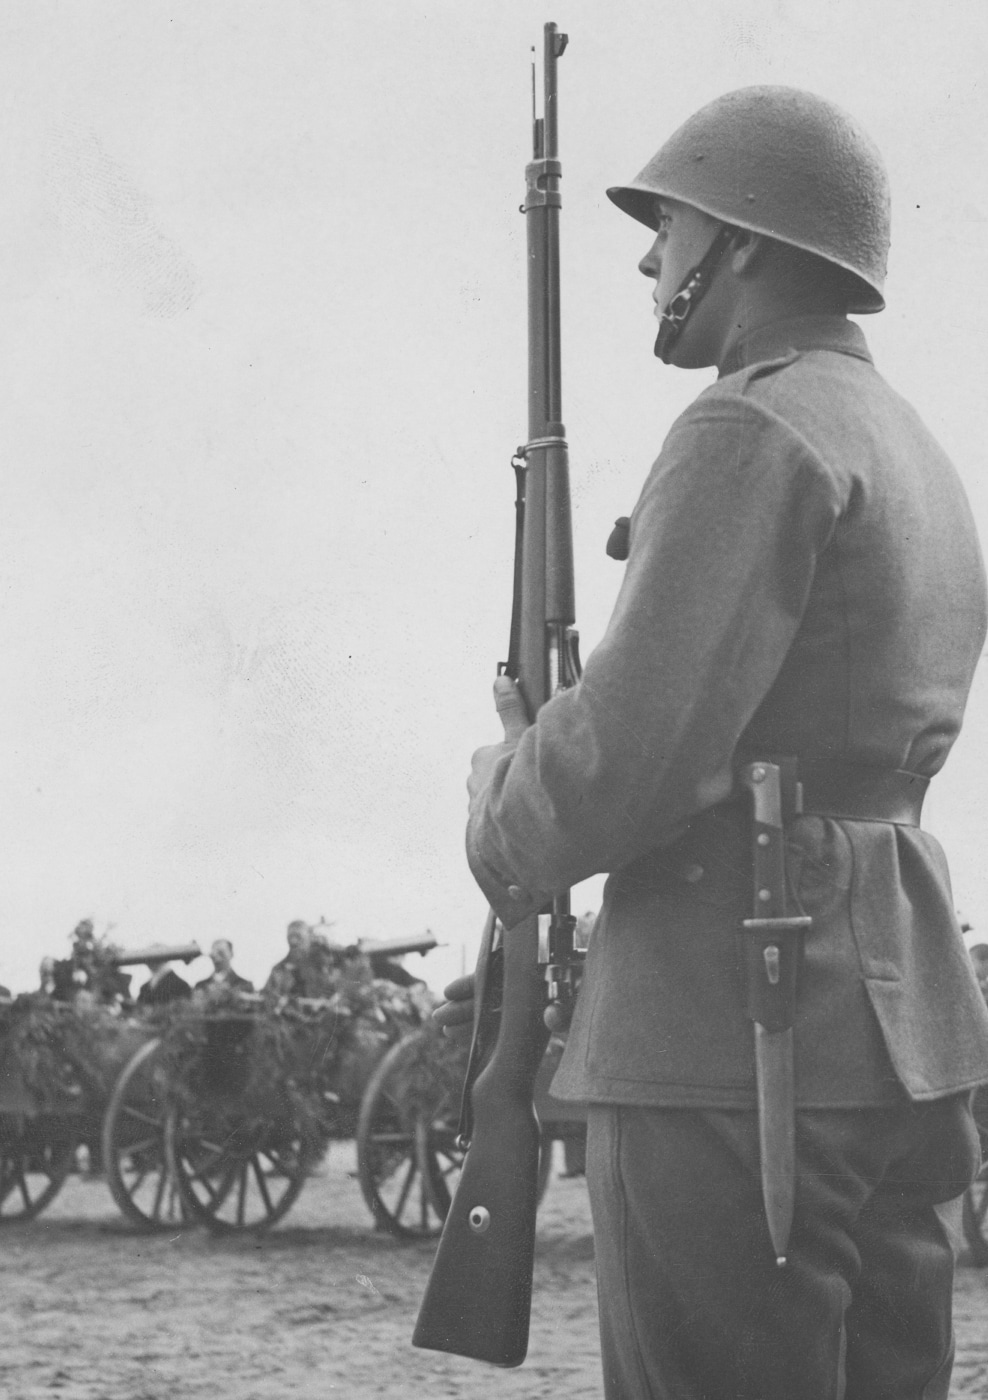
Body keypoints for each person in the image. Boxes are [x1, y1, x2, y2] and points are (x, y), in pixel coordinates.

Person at [437, 86, 988, 1400]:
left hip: (730, 1037)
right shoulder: (909, 444)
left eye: (668, 226)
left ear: (738, 242)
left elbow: (616, 771)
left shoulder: (751, 424)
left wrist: (499, 787)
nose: (648, 259)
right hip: (895, 1032)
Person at [264, 919, 311, 996]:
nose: (294, 941)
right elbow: (267, 994)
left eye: (298, 936)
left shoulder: (318, 966)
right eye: (291, 936)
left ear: (309, 936)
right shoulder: (279, 969)